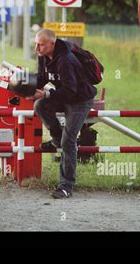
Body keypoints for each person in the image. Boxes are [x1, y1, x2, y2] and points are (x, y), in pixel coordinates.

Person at [28, 29, 96, 199]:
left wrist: (46, 94)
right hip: (64, 95)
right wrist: (24, 84)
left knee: (69, 140)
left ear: (52, 44)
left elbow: (71, 91)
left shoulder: (66, 59)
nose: (37, 48)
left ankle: (66, 186)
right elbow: (43, 78)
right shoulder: (44, 56)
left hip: (80, 100)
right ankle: (56, 139)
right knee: (40, 106)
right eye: (36, 44)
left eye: (41, 45)